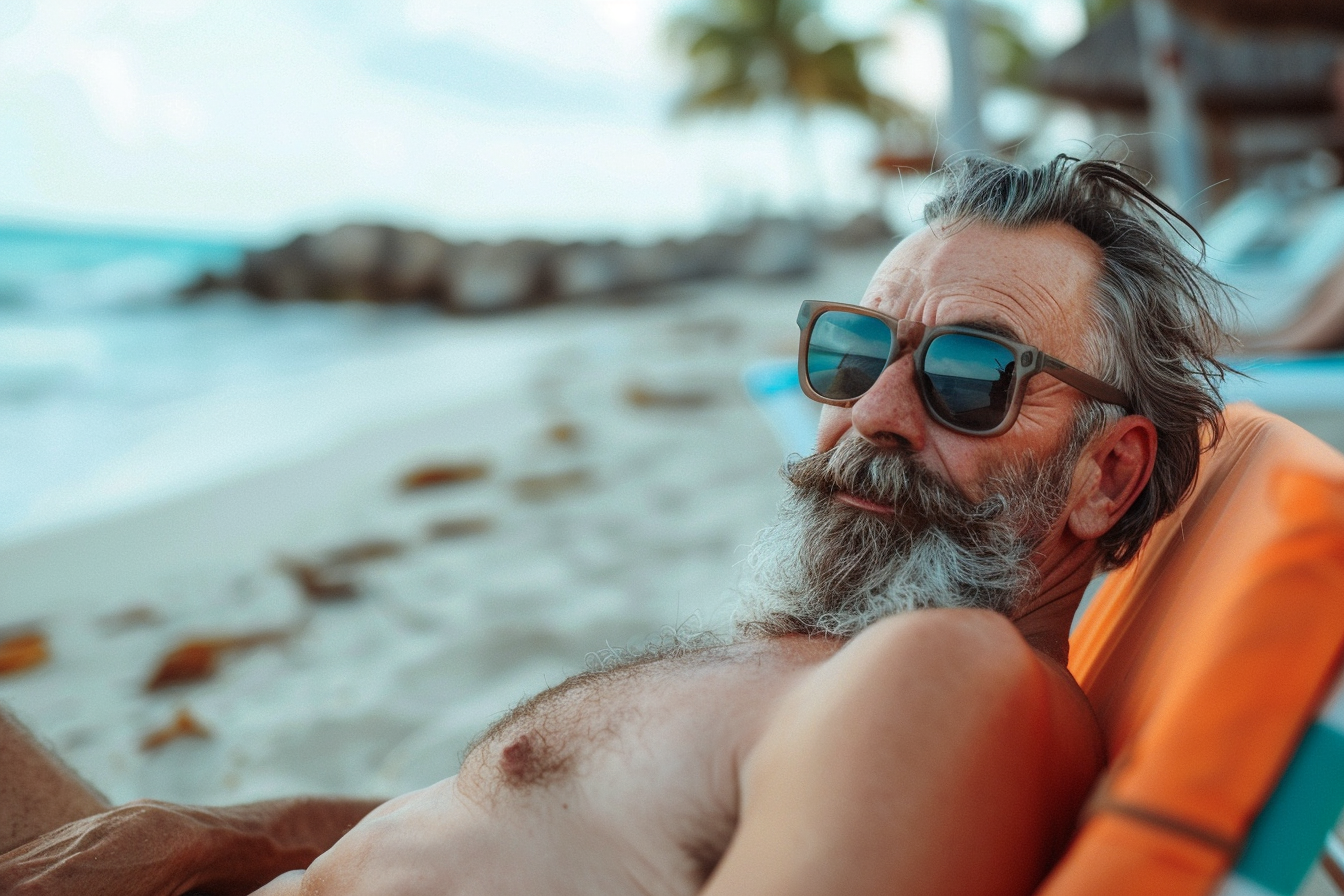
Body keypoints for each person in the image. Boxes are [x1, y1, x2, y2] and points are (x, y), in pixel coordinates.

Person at [0, 155, 1234, 896]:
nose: (872, 412)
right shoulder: (844, 671)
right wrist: (224, 829)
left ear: (1107, 473)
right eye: (854, 352)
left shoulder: (956, 680)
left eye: (970, 376)